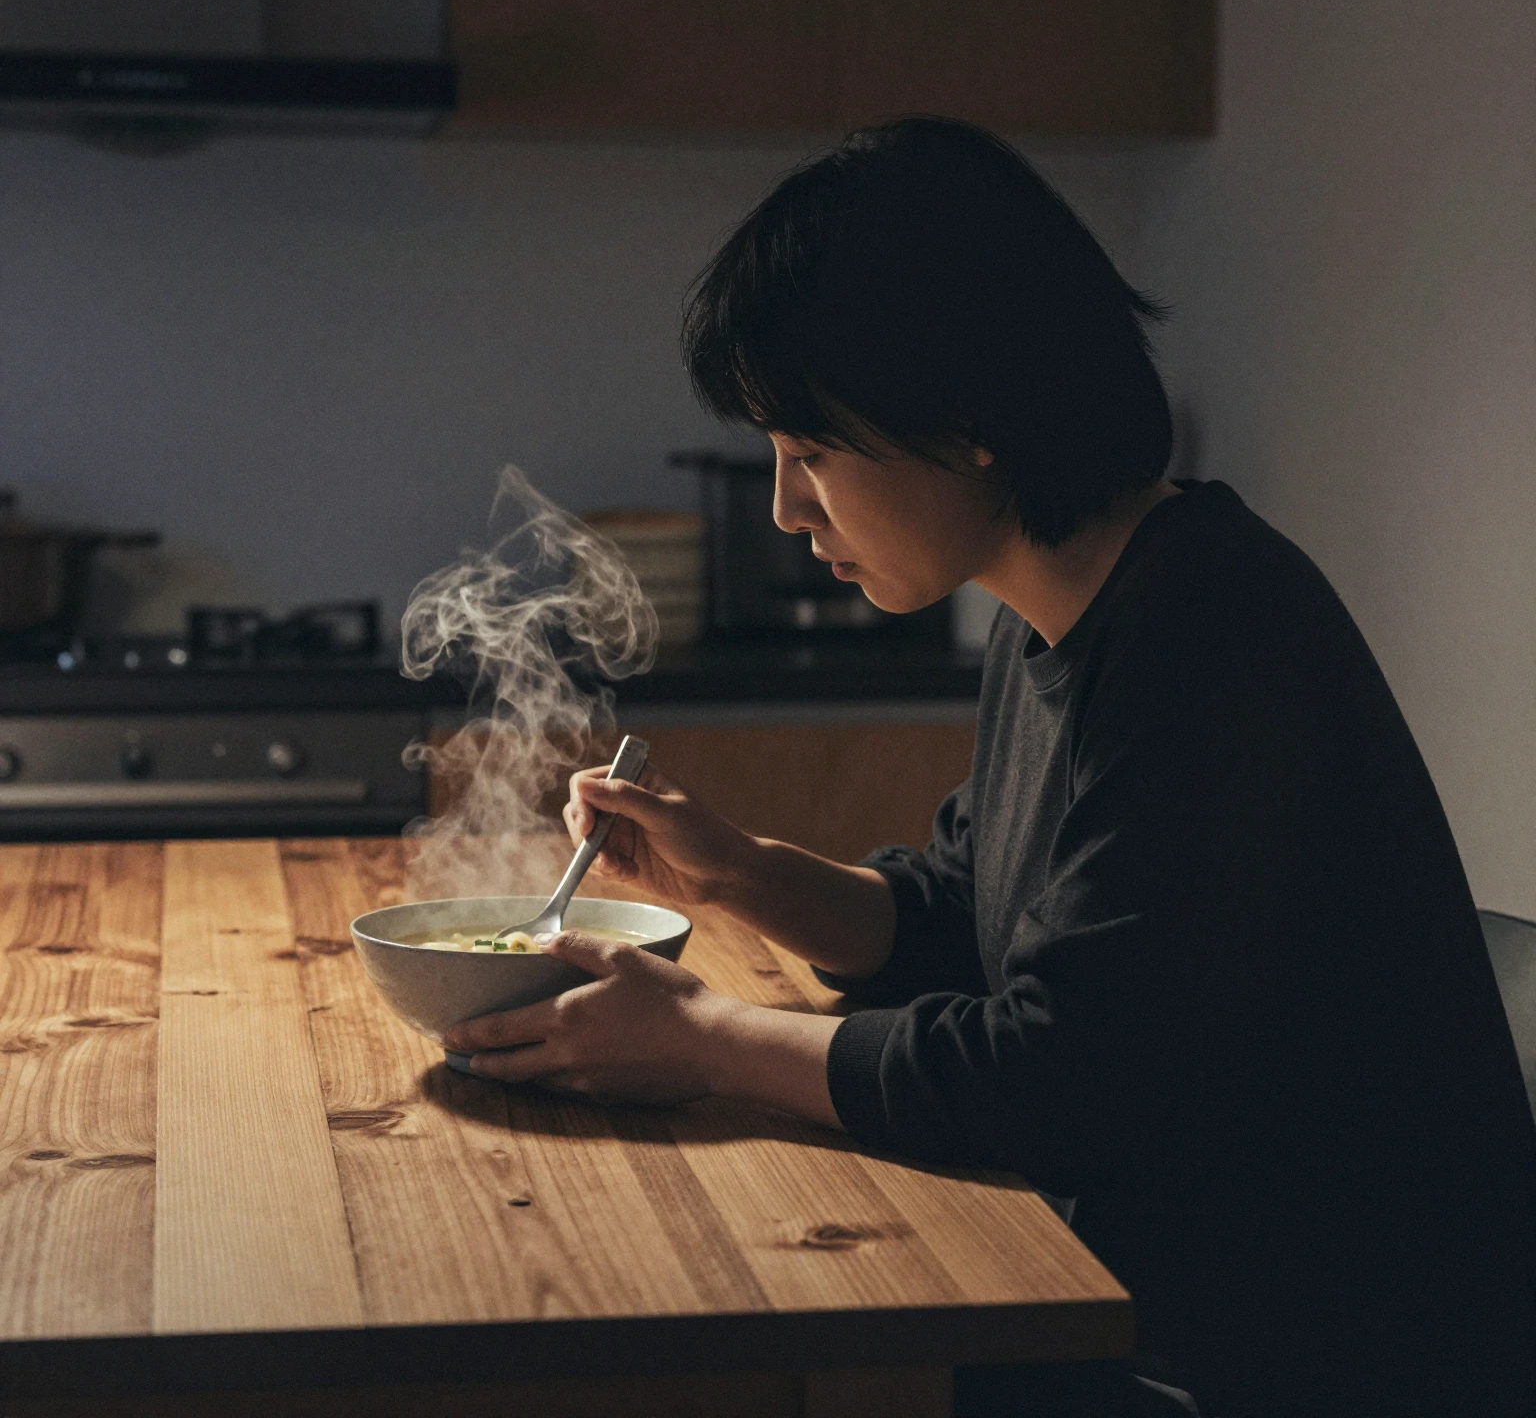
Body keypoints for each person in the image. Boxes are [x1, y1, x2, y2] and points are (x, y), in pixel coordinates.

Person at [444, 118, 1536, 1417]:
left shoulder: (1211, 627)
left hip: (1303, 1361)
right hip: (1156, 1305)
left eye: (811, 454)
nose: (789, 509)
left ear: (964, 419)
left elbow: (1062, 1079)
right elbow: (972, 915)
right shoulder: (1056, 611)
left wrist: (705, 1040)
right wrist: (737, 869)